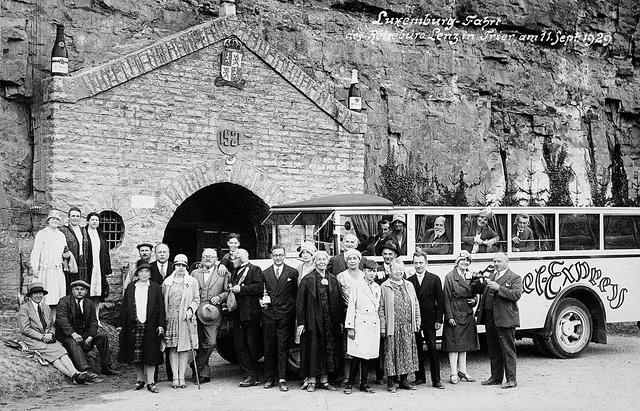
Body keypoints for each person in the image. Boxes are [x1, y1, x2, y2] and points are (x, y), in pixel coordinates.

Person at [18, 282, 88, 385]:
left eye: (40, 293)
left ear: (43, 294)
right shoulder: (25, 308)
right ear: (31, 295)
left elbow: (52, 325)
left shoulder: (46, 308)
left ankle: (75, 374)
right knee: (53, 353)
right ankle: (74, 374)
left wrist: (50, 334)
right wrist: (42, 337)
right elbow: (25, 329)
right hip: (32, 339)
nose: (38, 296)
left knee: (61, 351)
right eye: (35, 293)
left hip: (47, 337)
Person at [296, 251, 343, 392]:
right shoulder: (307, 279)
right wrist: (301, 323)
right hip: (312, 321)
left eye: (324, 259)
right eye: (319, 259)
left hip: (329, 322)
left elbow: (339, 302)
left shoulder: (333, 279)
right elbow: (300, 303)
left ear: (327, 261)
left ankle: (325, 380)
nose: (321, 262)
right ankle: (311, 380)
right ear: (315, 261)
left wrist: (340, 321)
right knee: (313, 350)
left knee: (328, 350)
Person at [475, 252, 523, 389]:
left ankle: (511, 380)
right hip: (491, 317)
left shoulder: (514, 277)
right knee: (493, 348)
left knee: (507, 349)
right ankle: (496, 377)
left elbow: (516, 295)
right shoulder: (492, 275)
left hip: (505, 318)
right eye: (494, 261)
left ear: (507, 262)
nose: (496, 264)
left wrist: (499, 288)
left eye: (499, 261)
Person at [55, 279, 118, 381]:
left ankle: (106, 367)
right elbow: (62, 320)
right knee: (73, 341)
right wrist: (73, 334)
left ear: (86, 292)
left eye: (82, 289)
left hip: (83, 334)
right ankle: (86, 370)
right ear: (72, 291)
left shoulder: (89, 303)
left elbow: (94, 322)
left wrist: (90, 336)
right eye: (76, 289)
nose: (79, 291)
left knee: (102, 336)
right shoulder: (64, 301)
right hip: (67, 336)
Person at [119, 263, 166, 393]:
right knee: (137, 356)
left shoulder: (155, 288)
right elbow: (124, 307)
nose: (144, 274)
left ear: (150, 274)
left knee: (151, 355)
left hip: (151, 325)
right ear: (137, 274)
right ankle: (140, 380)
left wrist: (161, 324)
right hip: (133, 324)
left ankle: (151, 382)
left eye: (146, 271)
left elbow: (161, 308)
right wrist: (121, 325)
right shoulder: (130, 287)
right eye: (141, 272)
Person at [379, 258, 420, 393]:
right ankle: (391, 382)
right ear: (390, 270)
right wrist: (383, 326)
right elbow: (381, 308)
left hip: (407, 326)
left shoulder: (409, 285)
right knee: (391, 354)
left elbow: (415, 303)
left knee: (407, 353)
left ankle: (403, 381)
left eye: (401, 270)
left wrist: (417, 321)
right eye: (396, 269)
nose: (398, 272)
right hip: (393, 326)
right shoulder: (384, 286)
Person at [261, 244, 298, 391]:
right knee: (269, 346)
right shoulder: (265, 273)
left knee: (282, 347)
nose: (278, 258)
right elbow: (262, 292)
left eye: (280, 255)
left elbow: (295, 294)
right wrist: (261, 301)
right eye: (275, 255)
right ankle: (269, 378)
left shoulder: (292, 272)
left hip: (285, 315)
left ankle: (282, 378)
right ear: (271, 256)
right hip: (269, 314)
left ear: (285, 256)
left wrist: (289, 309)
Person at [407, 251, 445, 389]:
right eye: (416, 263)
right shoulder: (409, 280)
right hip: (415, 320)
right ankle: (420, 377)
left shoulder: (434, 279)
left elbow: (440, 301)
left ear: (426, 263)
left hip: (430, 319)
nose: (418, 265)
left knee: (433, 348)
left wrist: (439, 319)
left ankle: (436, 380)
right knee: (416, 349)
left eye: (421, 263)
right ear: (413, 264)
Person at [343, 259, 381, 394]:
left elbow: (379, 307)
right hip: (360, 323)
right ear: (364, 271)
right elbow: (351, 306)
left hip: (373, 323)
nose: (372, 274)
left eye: (374, 271)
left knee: (367, 356)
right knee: (357, 355)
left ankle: (364, 384)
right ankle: (349, 383)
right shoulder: (357, 286)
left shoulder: (377, 287)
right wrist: (350, 327)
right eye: (369, 270)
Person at [162, 254, 200, 389]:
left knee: (183, 349)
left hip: (185, 319)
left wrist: (191, 309)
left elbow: (197, 299)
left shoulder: (192, 281)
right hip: (171, 318)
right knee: (172, 348)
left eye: (183, 265)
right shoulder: (167, 282)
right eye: (178, 265)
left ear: (186, 267)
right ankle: (175, 377)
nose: (181, 268)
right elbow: (163, 301)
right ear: (174, 266)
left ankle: (182, 377)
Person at [191, 248, 228, 383]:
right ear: (201, 258)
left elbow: (228, 292)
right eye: (205, 256)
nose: (207, 258)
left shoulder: (222, 273)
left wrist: (219, 297)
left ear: (216, 259)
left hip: (213, 313)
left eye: (211, 257)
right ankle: (203, 373)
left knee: (211, 342)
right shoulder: (194, 273)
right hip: (195, 311)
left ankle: (197, 365)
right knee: (198, 343)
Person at [442, 251, 480, 384]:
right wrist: (449, 317)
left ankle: (462, 371)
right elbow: (445, 298)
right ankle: (453, 373)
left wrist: (474, 301)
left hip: (467, 312)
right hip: (455, 313)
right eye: (463, 260)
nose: (465, 262)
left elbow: (475, 293)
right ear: (457, 261)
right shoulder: (450, 277)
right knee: (454, 345)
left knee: (464, 345)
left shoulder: (471, 275)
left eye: (468, 260)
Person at [229, 248, 263, 387]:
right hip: (238, 314)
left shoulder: (254, 269)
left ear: (241, 257)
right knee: (239, 345)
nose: (232, 259)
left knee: (252, 345)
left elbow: (259, 288)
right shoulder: (234, 272)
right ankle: (249, 374)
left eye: (235, 256)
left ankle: (252, 376)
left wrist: (241, 289)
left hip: (251, 314)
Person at [29, 210, 70, 308]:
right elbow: (36, 252)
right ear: (48, 220)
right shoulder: (42, 234)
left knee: (57, 298)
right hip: (45, 270)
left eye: (57, 219)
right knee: (45, 298)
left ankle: (55, 320)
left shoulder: (61, 235)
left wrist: (66, 258)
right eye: (52, 218)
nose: (55, 221)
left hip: (57, 271)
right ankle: (43, 320)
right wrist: (35, 269)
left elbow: (65, 251)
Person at [336, 248, 365, 386]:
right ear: (346, 261)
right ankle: (347, 377)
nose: (352, 261)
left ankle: (360, 378)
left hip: (361, 314)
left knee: (361, 345)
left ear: (359, 260)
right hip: (346, 312)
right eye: (349, 259)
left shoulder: (364, 275)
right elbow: (337, 298)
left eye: (355, 258)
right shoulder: (341, 276)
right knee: (347, 346)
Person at [85, 212, 111, 324]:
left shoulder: (101, 235)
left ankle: (96, 318)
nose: (94, 222)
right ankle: (86, 319)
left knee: (97, 294)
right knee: (87, 292)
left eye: (96, 220)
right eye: (92, 220)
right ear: (88, 221)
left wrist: (107, 268)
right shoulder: (84, 234)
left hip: (99, 267)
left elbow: (106, 252)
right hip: (88, 267)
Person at [59, 207, 88, 294]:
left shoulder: (83, 230)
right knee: (71, 287)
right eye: (73, 216)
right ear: (69, 217)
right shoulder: (63, 230)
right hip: (70, 263)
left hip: (83, 263)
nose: (75, 218)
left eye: (77, 216)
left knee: (81, 287)